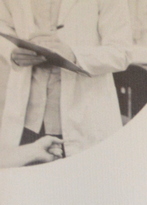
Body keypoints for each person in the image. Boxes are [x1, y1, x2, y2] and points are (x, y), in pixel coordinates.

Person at [0, 0, 130, 163]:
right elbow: (2, 27)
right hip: (26, 122)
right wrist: (11, 52)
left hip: (83, 123)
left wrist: (73, 54)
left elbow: (121, 53)